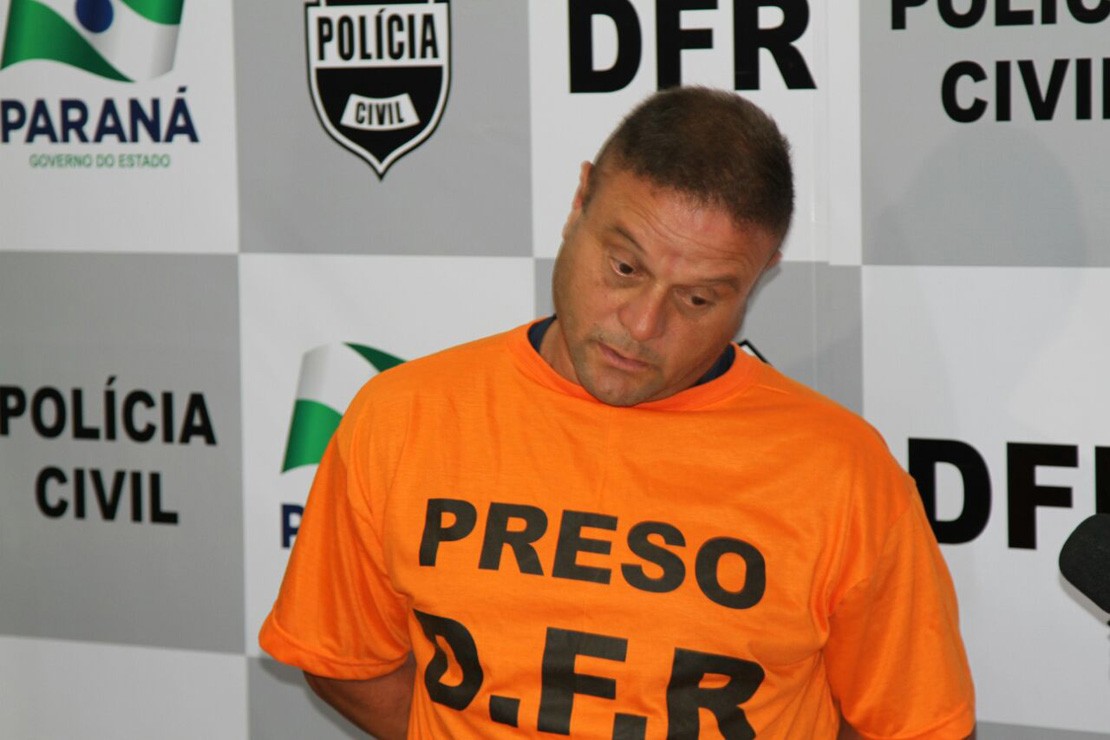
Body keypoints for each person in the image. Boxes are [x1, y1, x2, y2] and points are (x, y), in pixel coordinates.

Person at [260, 87, 976, 739]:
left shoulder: (843, 473)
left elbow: (915, 726)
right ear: (579, 202)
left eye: (698, 299)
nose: (641, 324)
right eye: (625, 268)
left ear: (760, 277)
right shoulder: (403, 417)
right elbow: (344, 660)